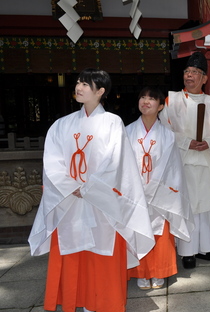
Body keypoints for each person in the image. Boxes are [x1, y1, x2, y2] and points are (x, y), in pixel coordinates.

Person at [28, 68, 155, 312]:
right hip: (70, 200)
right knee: (72, 247)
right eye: (78, 82)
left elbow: (116, 162)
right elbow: (52, 161)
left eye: (86, 84)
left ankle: (103, 301)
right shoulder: (61, 125)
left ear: (100, 91)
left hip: (101, 200)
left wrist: (88, 187)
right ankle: (79, 300)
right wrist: (70, 185)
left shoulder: (112, 123)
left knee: (101, 249)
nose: (79, 87)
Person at [160, 52, 210, 269]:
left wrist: (209, 141)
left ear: (204, 79)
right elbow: (163, 130)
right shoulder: (172, 100)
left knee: (207, 205)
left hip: (207, 162)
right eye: (187, 72)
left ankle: (209, 247)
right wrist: (186, 142)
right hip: (183, 162)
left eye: (195, 73)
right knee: (188, 205)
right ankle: (187, 251)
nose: (189, 76)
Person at [126, 86, 193, 289]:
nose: (146, 101)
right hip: (136, 192)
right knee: (137, 231)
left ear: (161, 106)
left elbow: (174, 168)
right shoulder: (127, 131)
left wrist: (157, 188)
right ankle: (141, 272)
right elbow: (123, 165)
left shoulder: (167, 134)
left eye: (152, 99)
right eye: (142, 97)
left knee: (160, 234)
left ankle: (159, 272)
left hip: (160, 193)